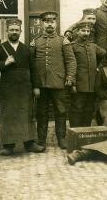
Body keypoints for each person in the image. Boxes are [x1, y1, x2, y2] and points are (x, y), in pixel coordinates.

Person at [0, 18, 45, 155]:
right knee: (9, 115)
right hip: (8, 87)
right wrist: (5, 63)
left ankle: (29, 143)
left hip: (25, 87)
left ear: (20, 31)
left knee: (27, 114)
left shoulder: (26, 49)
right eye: (11, 30)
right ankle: (8, 145)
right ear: (7, 31)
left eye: (16, 30)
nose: (14, 32)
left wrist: (36, 86)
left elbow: (34, 69)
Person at [30, 11, 77, 150]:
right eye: (46, 21)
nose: (49, 23)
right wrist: (34, 83)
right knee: (41, 112)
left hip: (59, 83)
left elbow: (71, 61)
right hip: (41, 84)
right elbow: (31, 64)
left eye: (52, 21)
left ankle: (61, 139)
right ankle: (41, 140)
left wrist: (70, 77)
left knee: (61, 111)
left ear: (56, 23)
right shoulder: (35, 41)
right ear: (42, 23)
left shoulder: (63, 41)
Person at [70, 21, 106, 127]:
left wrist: (98, 67)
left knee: (89, 109)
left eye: (88, 31)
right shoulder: (72, 46)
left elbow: (104, 54)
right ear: (77, 32)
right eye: (83, 31)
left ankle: (85, 132)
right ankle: (75, 133)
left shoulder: (93, 46)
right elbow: (70, 65)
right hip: (79, 84)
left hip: (92, 84)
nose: (86, 33)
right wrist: (73, 84)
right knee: (77, 108)